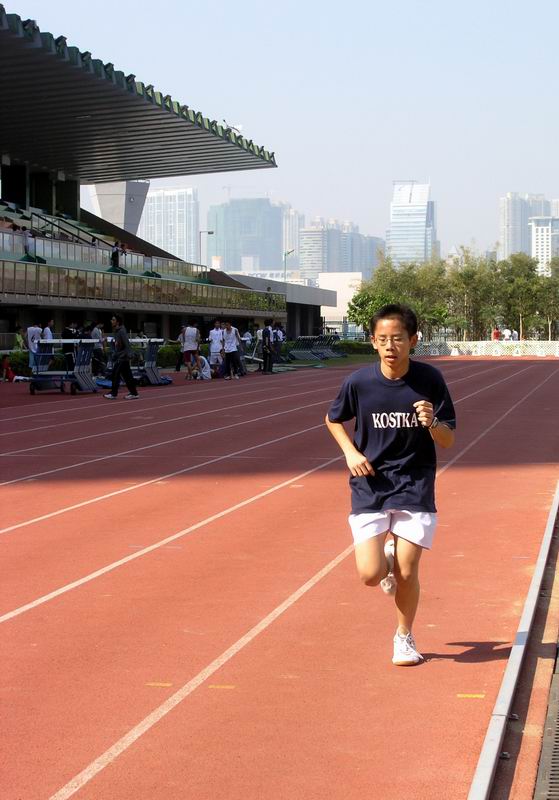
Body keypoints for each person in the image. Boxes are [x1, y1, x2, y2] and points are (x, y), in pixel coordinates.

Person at [325, 303, 456, 667]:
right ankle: (384, 559)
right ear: (372, 341)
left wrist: (433, 423)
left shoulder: (430, 380)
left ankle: (403, 637)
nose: (390, 346)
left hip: (415, 482)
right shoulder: (359, 383)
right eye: (382, 339)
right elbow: (333, 419)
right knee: (370, 575)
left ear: (413, 340)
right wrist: (350, 452)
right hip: (370, 483)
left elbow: (448, 440)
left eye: (397, 338)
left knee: (407, 571)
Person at [104, 314, 139, 400]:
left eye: (113, 320)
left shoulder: (121, 331)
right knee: (127, 376)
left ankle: (113, 393)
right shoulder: (117, 331)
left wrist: (129, 354)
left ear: (117, 322)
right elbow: (118, 345)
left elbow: (126, 343)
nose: (111, 321)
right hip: (121, 356)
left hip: (122, 357)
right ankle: (134, 393)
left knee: (115, 374)